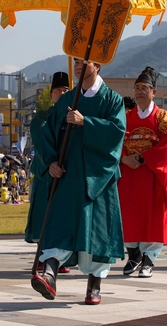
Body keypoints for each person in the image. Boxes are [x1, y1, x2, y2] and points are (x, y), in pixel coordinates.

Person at [32, 58, 125, 305]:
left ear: (99, 66)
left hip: (98, 176)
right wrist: (51, 161)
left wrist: (87, 122)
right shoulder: (66, 100)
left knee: (98, 232)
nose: (79, 66)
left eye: (86, 62)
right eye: (76, 61)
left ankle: (94, 286)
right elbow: (49, 134)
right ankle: (49, 274)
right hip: (68, 173)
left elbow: (117, 132)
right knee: (61, 222)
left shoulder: (112, 100)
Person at [118, 66, 167, 278]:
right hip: (129, 174)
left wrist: (143, 157)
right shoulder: (125, 116)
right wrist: (124, 157)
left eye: (145, 88)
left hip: (151, 174)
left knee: (152, 216)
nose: (140, 91)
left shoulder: (162, 117)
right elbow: (116, 141)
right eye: (137, 88)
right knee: (129, 214)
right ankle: (133, 254)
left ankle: (149, 258)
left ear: (154, 92)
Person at [24, 71, 71, 273]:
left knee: (63, 217)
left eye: (66, 90)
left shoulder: (72, 116)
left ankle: (60, 258)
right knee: (43, 216)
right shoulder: (42, 116)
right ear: (51, 94)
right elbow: (43, 143)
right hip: (45, 173)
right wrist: (51, 163)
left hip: (67, 173)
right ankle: (43, 256)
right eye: (58, 90)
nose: (61, 93)